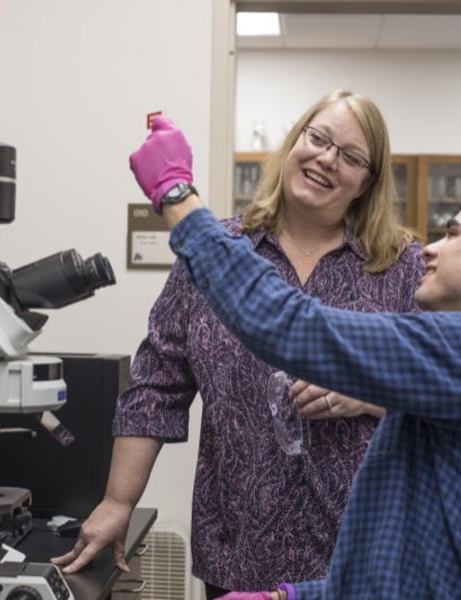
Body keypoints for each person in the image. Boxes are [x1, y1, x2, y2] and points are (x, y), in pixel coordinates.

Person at [52, 91, 424, 596]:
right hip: (240, 554)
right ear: (296, 141)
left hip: (361, 558)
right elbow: (155, 387)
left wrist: (368, 393)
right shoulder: (214, 256)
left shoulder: (401, 269)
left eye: (352, 157)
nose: (327, 160)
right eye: (319, 138)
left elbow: (439, 391)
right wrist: (119, 502)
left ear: (367, 182)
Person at [126, 115, 461, 598]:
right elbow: (388, 574)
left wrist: (177, 195)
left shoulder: (438, 332)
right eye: (318, 139)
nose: (429, 248)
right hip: (250, 550)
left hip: (334, 535)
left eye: (451, 236)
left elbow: (292, 326)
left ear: (367, 181)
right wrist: (285, 596)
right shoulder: (237, 242)